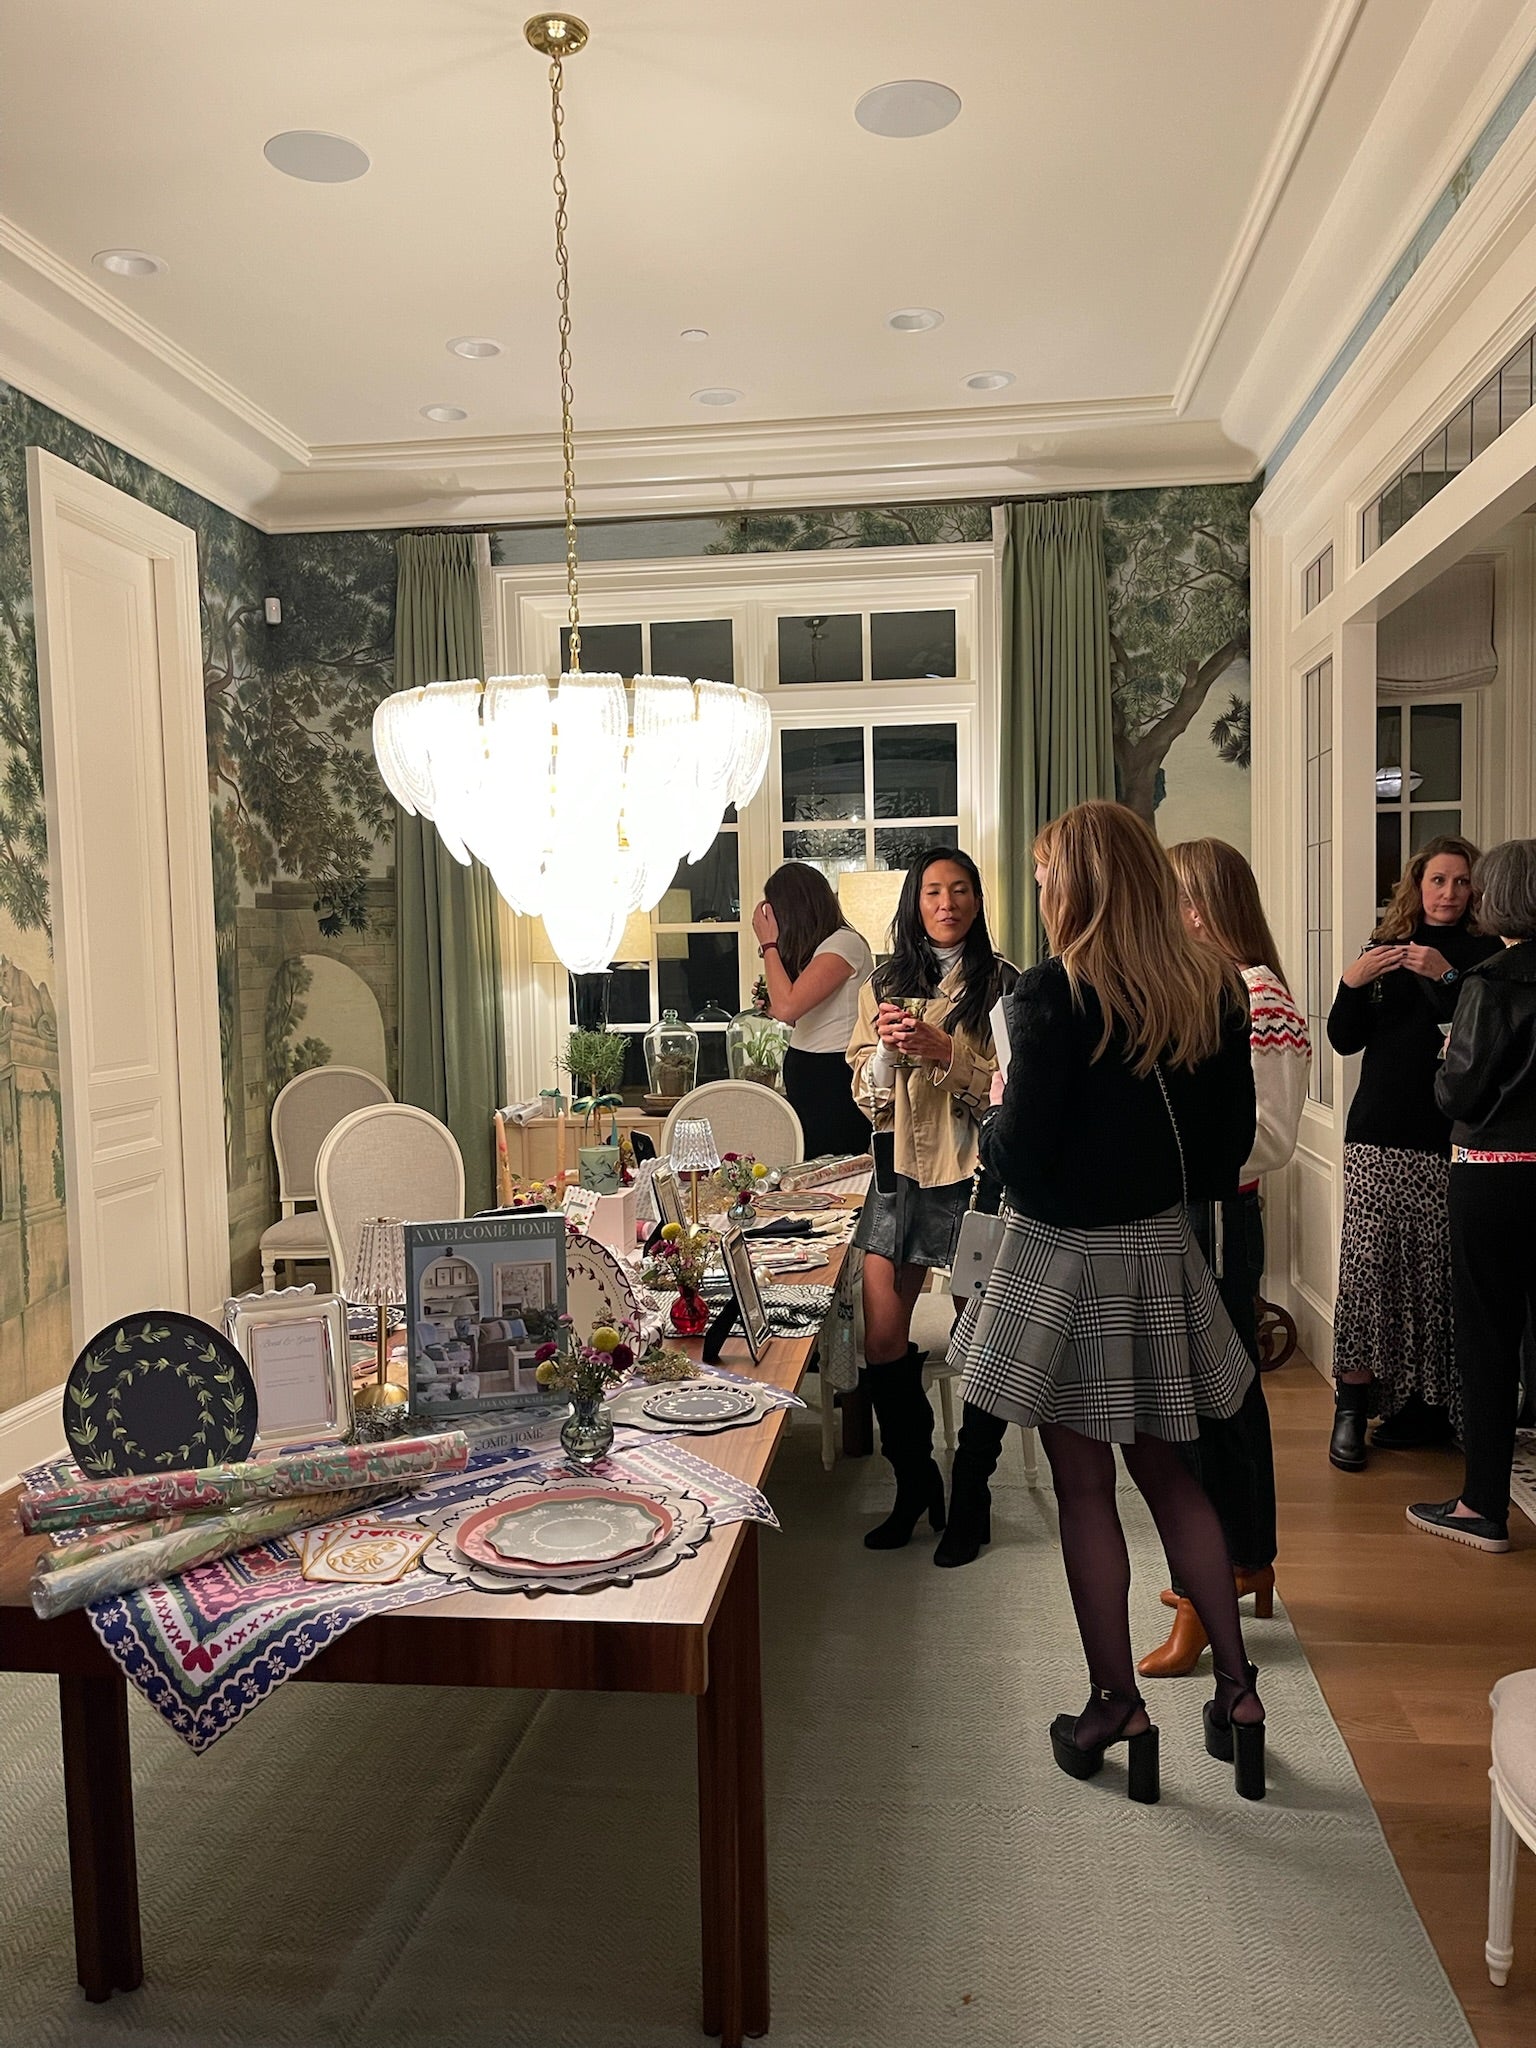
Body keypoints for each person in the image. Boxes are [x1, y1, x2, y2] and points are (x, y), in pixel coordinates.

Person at [947, 801, 1265, 1802]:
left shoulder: (1049, 994)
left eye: (1046, 874)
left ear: (1078, 884)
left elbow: (1024, 1156)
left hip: (1064, 1264)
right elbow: (1223, 1154)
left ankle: (1115, 1703)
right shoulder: (1212, 987)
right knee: (1172, 1475)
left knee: (1086, 1490)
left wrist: (994, 1111)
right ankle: (1239, 1695)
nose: (1041, 890)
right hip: (1163, 1251)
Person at [1138, 839, 1312, 1677]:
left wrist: (1172, 1156)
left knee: (1204, 1405)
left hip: (1215, 1215)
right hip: (1196, 1213)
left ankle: (1208, 1586)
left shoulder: (1254, 993)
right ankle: (1240, 1561)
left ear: (1200, 908)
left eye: (1170, 900)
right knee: (1221, 1399)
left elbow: (1271, 1137)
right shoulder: (1214, 989)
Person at [845, 847, 1015, 1550]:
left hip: (974, 1177)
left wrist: (948, 1053)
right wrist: (886, 1054)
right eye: (934, 892)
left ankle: (972, 1491)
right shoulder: (883, 983)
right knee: (882, 1338)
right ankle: (915, 1482)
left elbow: (1012, 1092)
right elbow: (865, 1090)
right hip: (899, 1176)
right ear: (914, 903)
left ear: (977, 900)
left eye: (961, 890)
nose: (948, 903)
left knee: (981, 1342)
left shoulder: (1005, 983)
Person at [1325, 836, 1502, 1471]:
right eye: (1437, 880)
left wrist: (1446, 975)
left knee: (1440, 1277)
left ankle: (1428, 1406)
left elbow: (1489, 1030)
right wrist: (1351, 983)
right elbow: (1343, 1039)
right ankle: (1352, 1407)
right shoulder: (1386, 946)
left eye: (1461, 881)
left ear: (1475, 889)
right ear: (1417, 885)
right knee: (1368, 1271)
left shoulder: (1488, 953)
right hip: (1378, 1133)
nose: (1448, 893)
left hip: (1453, 1137)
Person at [1408, 839, 1536, 1553]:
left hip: (1494, 1171)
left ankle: (1481, 1506)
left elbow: (1457, 1091)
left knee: (1488, 1337)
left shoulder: (1489, 983)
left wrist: (1442, 1060)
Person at [750, 864, 874, 1159]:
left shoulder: (844, 943)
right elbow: (794, 1014)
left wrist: (769, 944)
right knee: (809, 1168)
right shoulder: (822, 947)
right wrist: (772, 1005)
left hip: (835, 1075)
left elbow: (788, 1006)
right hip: (811, 1070)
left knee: (836, 1169)